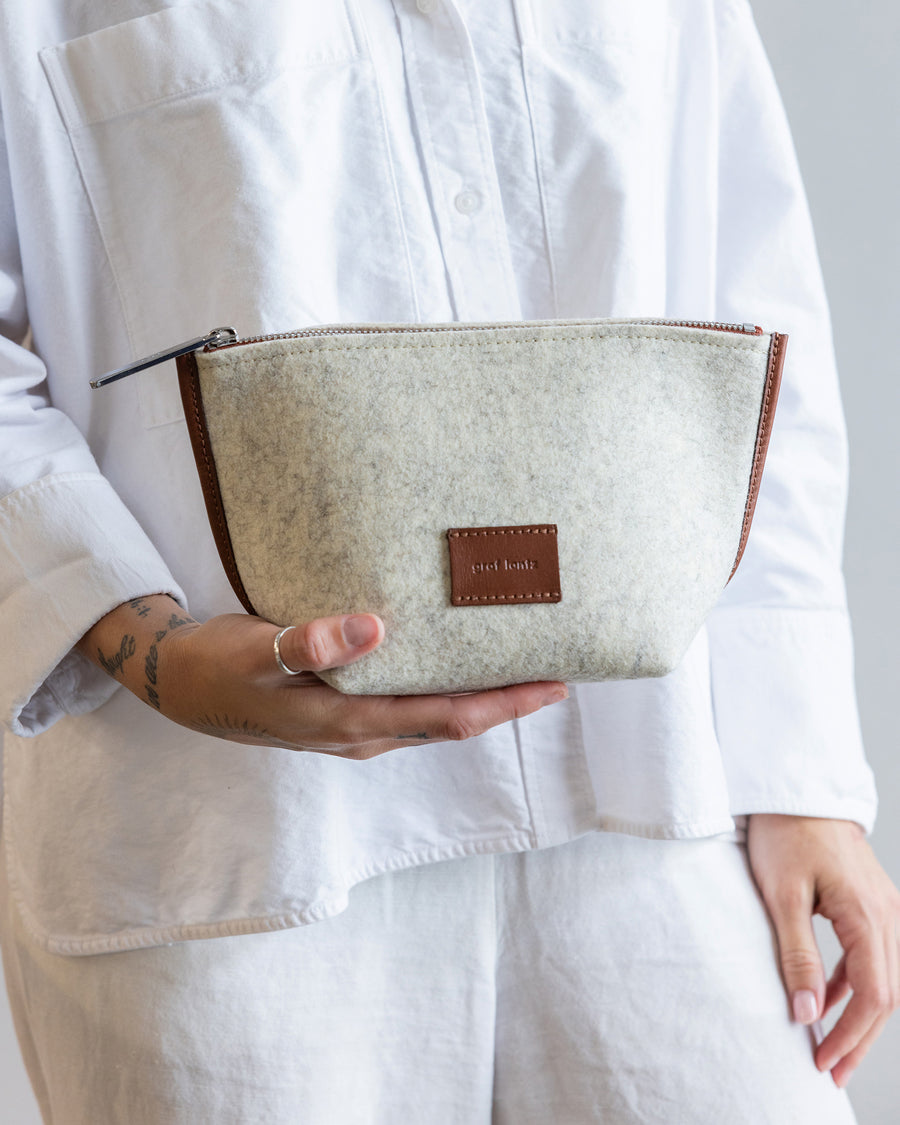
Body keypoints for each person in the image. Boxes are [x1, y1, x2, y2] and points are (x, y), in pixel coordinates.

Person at [0, 1, 897, 1121]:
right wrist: (148, 647)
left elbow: (753, 307)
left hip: (653, 784)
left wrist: (801, 781)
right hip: (230, 839)